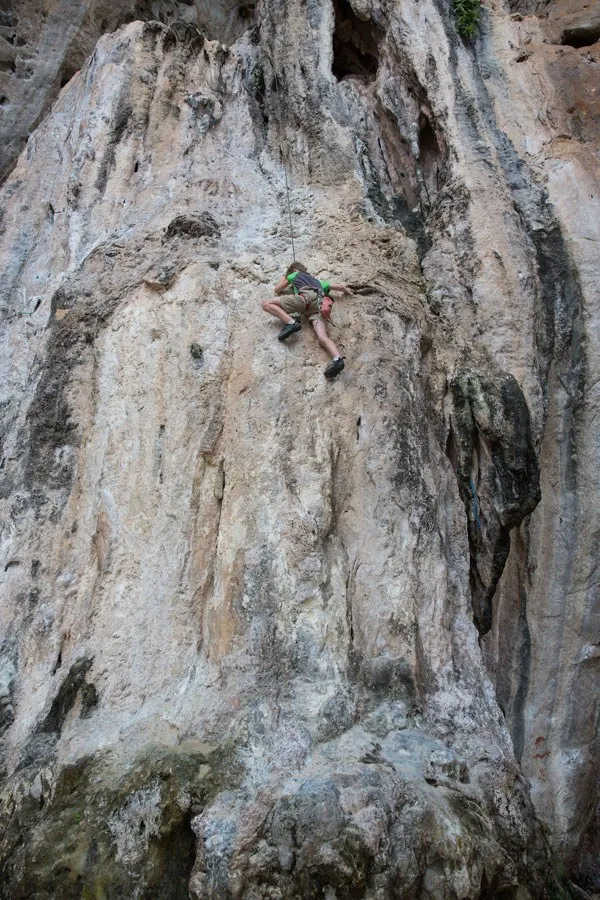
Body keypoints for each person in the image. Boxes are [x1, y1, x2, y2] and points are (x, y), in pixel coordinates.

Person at [262, 262, 352, 379]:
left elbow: (277, 289)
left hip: (306, 299)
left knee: (266, 304)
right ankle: (337, 359)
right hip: (319, 307)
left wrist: (285, 277)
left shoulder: (294, 274)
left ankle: (291, 323)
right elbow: (340, 287)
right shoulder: (318, 282)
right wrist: (350, 293)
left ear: (294, 269)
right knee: (322, 338)